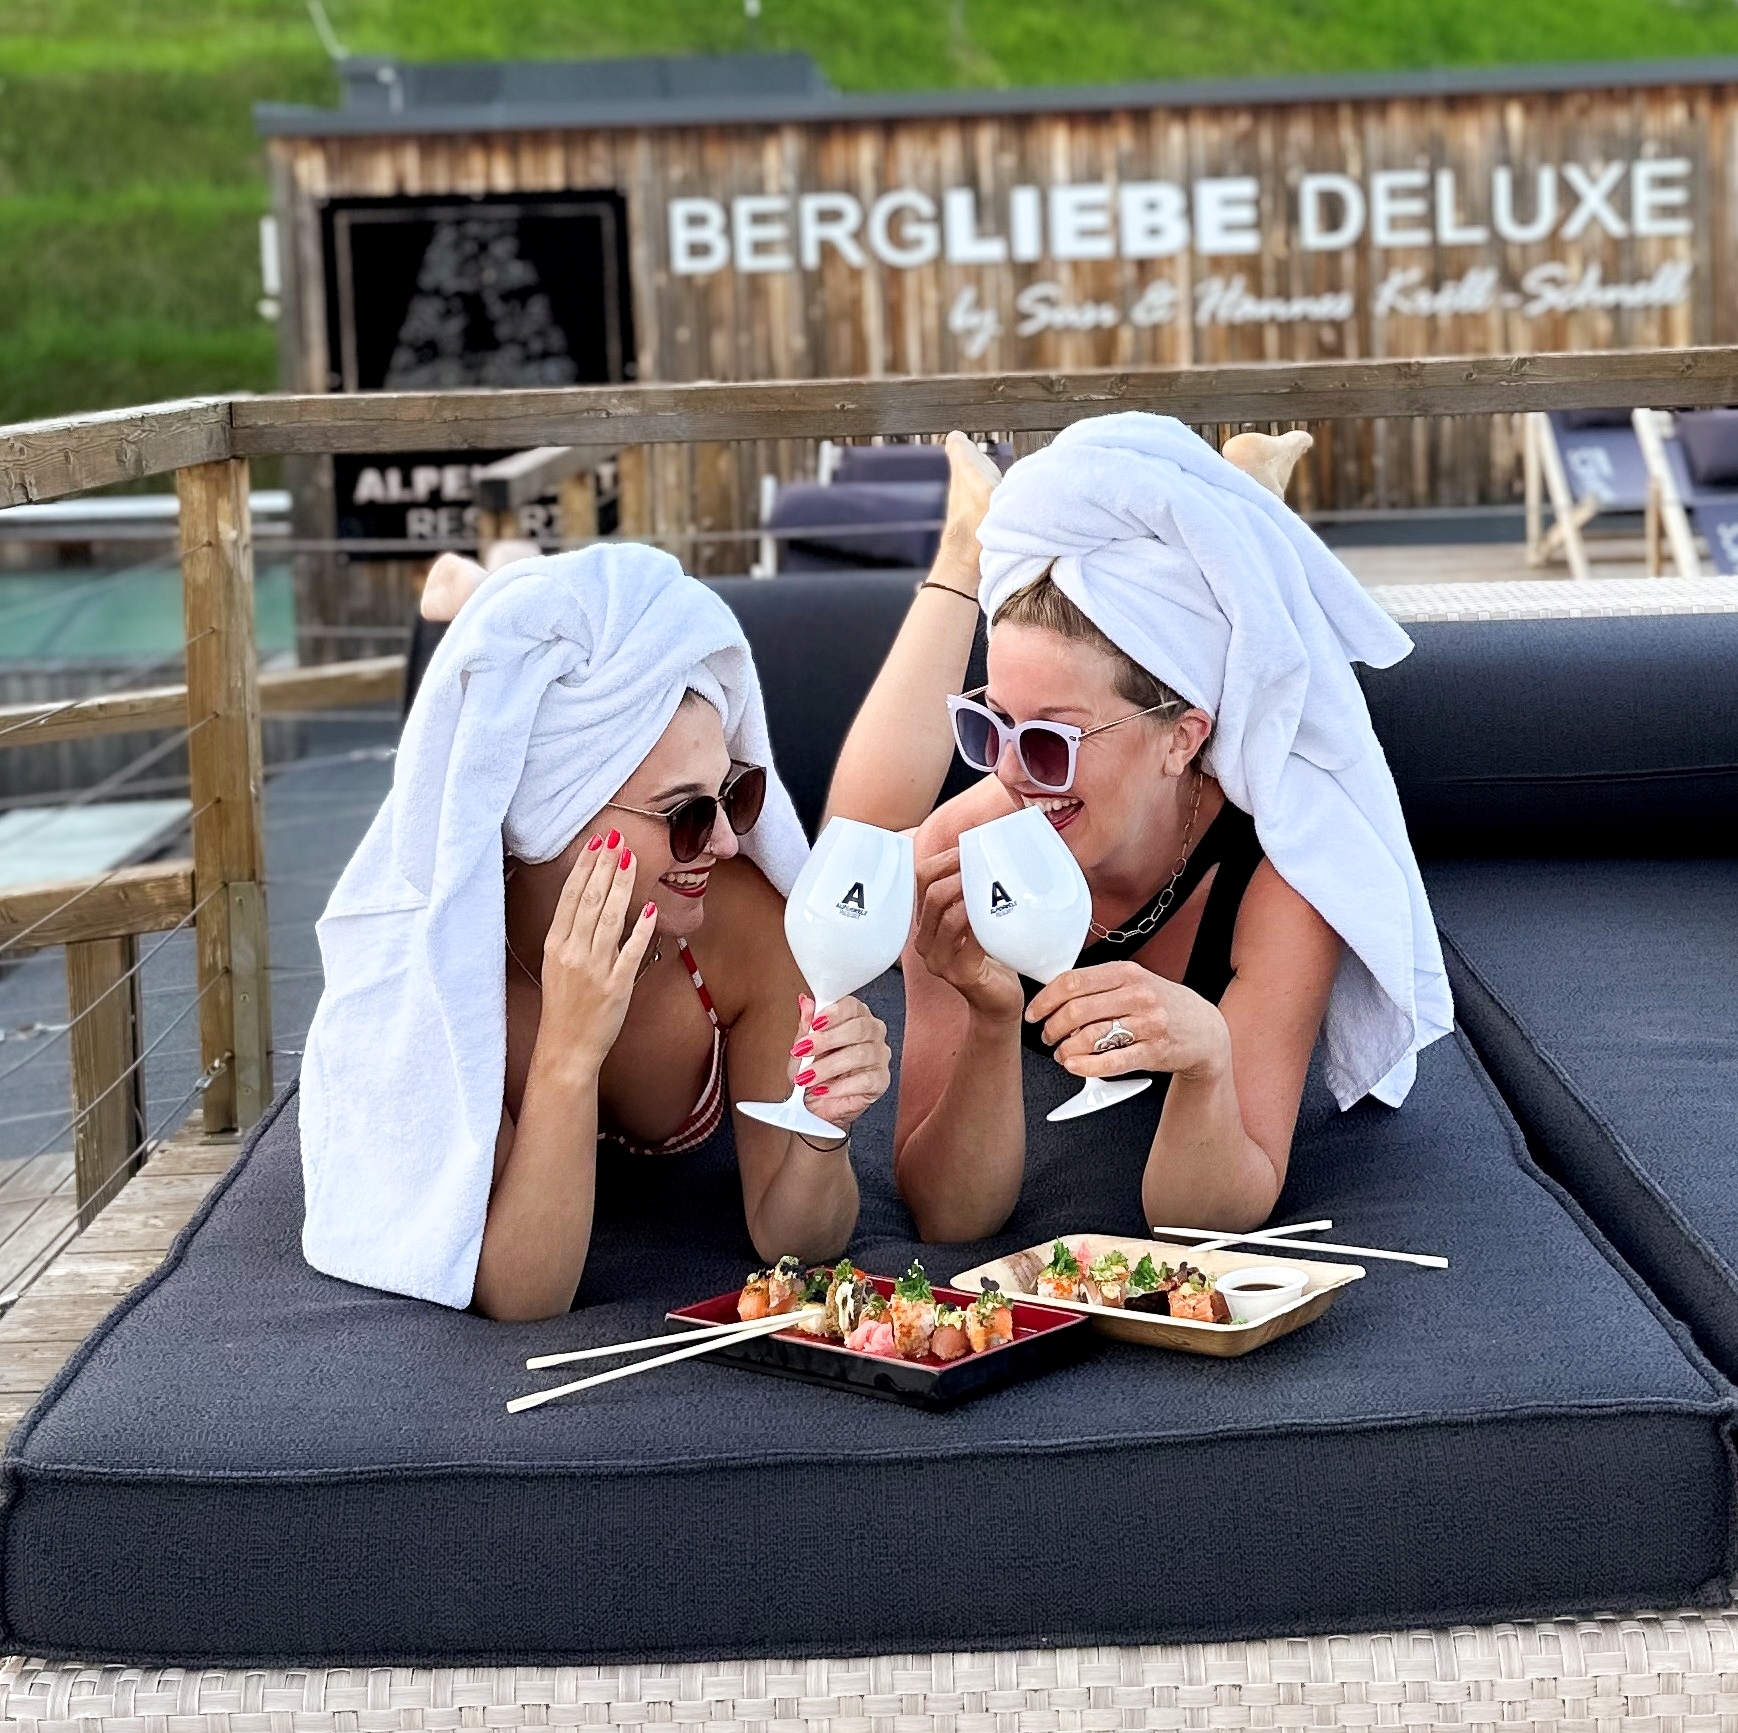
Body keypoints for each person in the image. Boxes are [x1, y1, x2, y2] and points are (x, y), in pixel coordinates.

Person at [869, 414, 1451, 1243]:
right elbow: (950, 1215)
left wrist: (1208, 1058)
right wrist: (990, 1016)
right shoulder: (956, 855)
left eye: (1052, 740)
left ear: (1183, 739)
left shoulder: (1281, 884)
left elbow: (1201, 1219)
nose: (1013, 775)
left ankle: (1248, 487)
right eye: (991, 727)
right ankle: (973, 535)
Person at [301, 543, 890, 1320]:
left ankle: (498, 577)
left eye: (734, 795)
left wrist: (822, 1129)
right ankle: (493, 578)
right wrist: (569, 1053)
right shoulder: (450, 965)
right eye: (686, 814)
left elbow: (795, 1243)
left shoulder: (741, 928)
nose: (723, 842)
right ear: (559, 816)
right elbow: (524, 1294)